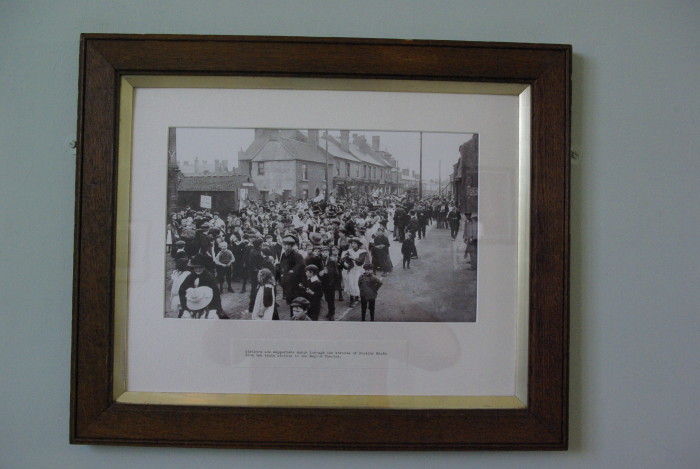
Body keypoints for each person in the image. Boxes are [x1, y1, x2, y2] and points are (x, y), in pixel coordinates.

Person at [178, 254, 225, 319]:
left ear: (204, 267)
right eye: (195, 268)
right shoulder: (190, 276)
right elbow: (181, 291)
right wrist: (185, 308)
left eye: (200, 267)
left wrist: (214, 308)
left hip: (208, 304)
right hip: (193, 303)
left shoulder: (209, 277)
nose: (198, 270)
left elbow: (216, 293)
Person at [279, 234, 306, 316]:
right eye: (284, 245)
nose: (285, 246)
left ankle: (294, 315)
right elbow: (282, 264)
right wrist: (282, 272)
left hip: (296, 281)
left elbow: (301, 265)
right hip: (287, 280)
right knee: (289, 297)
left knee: (295, 298)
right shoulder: (284, 254)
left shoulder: (297, 255)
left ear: (291, 246)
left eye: (287, 245)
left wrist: (293, 271)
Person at [341, 237, 367, 307]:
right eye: (352, 243)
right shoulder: (349, 251)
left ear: (358, 244)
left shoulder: (362, 252)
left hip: (359, 269)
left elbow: (360, 262)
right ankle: (352, 299)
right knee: (351, 283)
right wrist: (346, 261)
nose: (353, 244)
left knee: (357, 284)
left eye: (355, 243)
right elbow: (343, 259)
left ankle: (357, 296)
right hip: (351, 269)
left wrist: (351, 258)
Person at [318, 245, 338, 319]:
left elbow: (335, 271)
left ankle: (331, 312)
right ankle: (330, 310)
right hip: (323, 281)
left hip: (330, 281)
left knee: (330, 298)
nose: (324, 253)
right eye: (323, 252)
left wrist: (326, 271)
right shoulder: (320, 260)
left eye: (326, 252)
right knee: (326, 297)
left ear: (328, 252)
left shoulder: (331, 260)